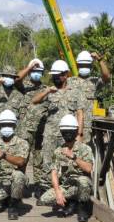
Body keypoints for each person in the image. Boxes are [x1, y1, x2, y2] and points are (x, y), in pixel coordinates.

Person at [31, 60, 84, 203]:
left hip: (68, 136)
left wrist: (79, 134)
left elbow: (80, 113)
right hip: (50, 134)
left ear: (66, 75)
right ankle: (47, 194)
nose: (55, 77)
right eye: (53, 75)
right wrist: (47, 90)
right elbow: (34, 101)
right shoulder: (50, 90)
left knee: (67, 164)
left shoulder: (76, 92)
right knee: (47, 162)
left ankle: (66, 194)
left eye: (58, 75)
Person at [39, 114, 93, 222]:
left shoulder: (84, 148)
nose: (67, 134)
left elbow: (88, 169)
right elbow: (54, 173)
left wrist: (74, 157)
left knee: (83, 181)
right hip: (67, 186)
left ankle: (82, 208)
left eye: (70, 131)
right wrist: (58, 191)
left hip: (80, 185)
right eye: (64, 131)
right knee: (44, 200)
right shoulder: (58, 151)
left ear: (76, 131)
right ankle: (70, 203)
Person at [16, 58, 48, 199]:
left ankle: (39, 188)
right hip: (24, 130)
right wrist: (29, 68)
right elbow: (17, 79)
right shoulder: (24, 87)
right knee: (22, 159)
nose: (36, 73)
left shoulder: (46, 89)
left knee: (39, 160)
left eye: (38, 71)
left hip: (41, 130)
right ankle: (19, 187)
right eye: (34, 71)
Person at [67, 51, 111, 142]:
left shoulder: (94, 82)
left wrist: (100, 60)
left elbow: (107, 77)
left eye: (87, 65)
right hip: (70, 125)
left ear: (91, 66)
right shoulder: (69, 81)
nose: (84, 67)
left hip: (87, 128)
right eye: (82, 65)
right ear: (77, 65)